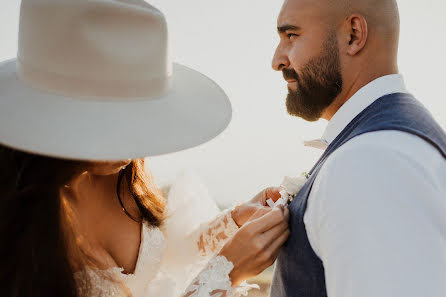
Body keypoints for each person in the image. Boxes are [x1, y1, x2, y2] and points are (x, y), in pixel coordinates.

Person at [0, 1, 290, 297]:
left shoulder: (118, 175)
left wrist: (234, 221)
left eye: (141, 112)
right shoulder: (13, 226)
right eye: (119, 114)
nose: (135, 141)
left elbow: (167, 255)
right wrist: (224, 273)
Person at [269, 0, 446, 297]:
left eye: (292, 36)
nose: (277, 60)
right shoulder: (392, 140)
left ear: (353, 35)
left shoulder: (369, 162)